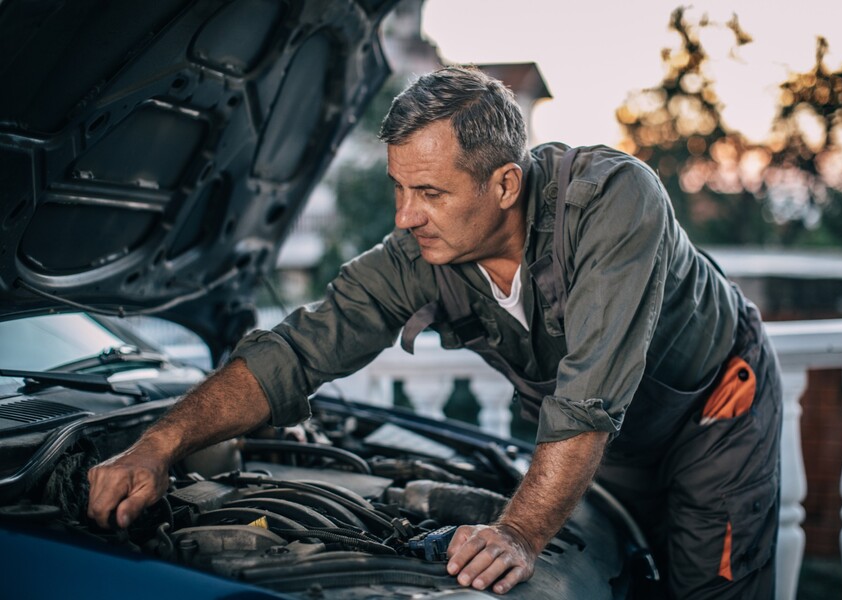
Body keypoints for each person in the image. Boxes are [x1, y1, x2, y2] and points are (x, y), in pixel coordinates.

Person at [88, 66, 782, 598]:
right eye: (398, 189)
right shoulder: (420, 257)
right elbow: (297, 349)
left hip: (710, 418)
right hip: (604, 443)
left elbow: (586, 399)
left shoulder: (612, 203)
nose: (403, 218)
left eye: (429, 194)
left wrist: (515, 533)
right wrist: (160, 444)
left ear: (505, 185)